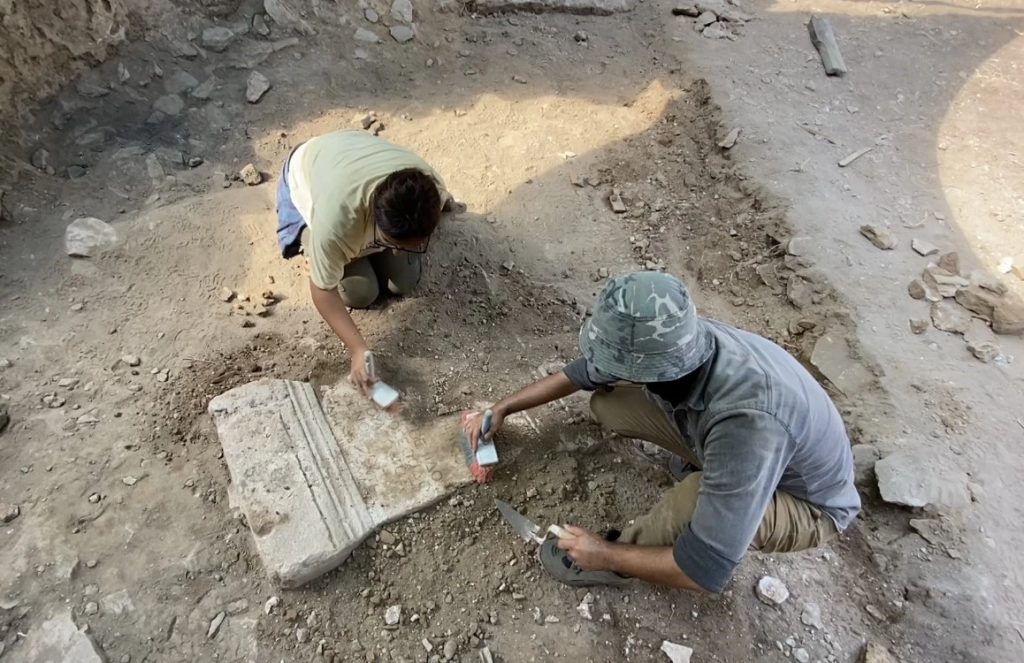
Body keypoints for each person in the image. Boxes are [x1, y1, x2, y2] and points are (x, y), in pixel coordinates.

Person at [463, 272, 860, 593]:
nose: (605, 368)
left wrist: (605, 553)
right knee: (608, 402)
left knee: (694, 497)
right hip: (748, 444)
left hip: (808, 502)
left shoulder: (747, 425)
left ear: (652, 368)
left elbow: (702, 571)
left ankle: (615, 564)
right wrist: (502, 408)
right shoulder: (674, 338)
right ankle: (703, 464)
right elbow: (579, 375)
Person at [276, 130, 452, 393]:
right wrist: (358, 348)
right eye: (395, 243)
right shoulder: (338, 219)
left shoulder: (430, 190)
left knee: (401, 282)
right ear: (378, 223)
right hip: (307, 173)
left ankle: (354, 251)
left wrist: (401, 246)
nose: (401, 251)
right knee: (361, 291)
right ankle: (308, 241)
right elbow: (323, 290)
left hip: (352, 155)